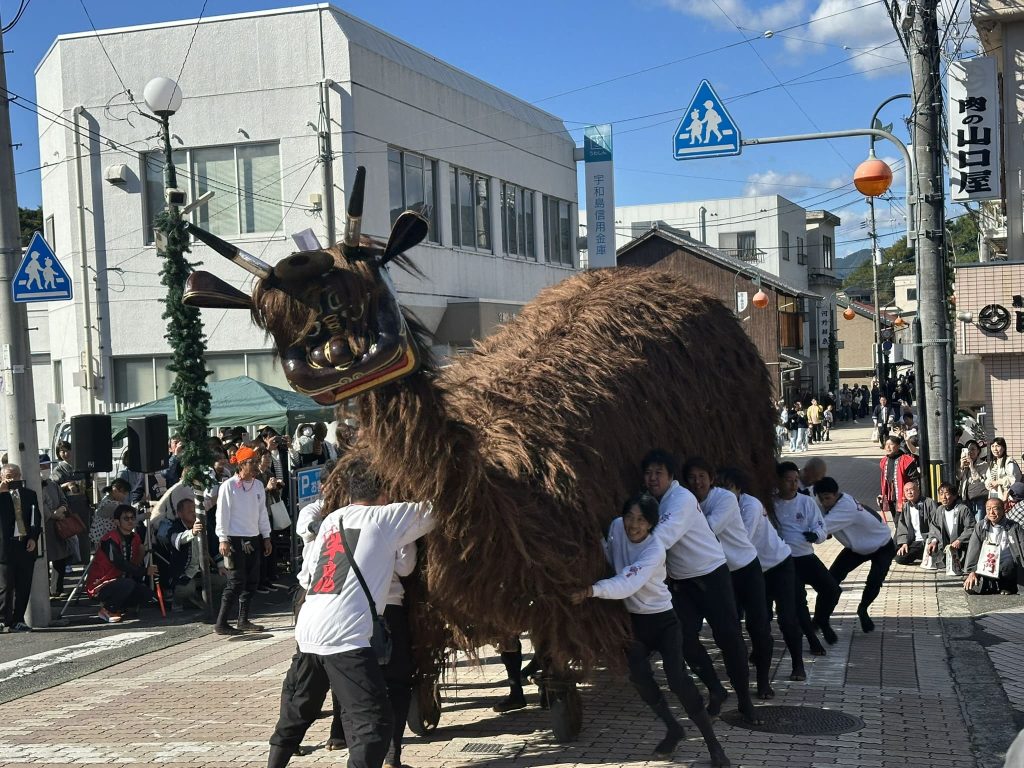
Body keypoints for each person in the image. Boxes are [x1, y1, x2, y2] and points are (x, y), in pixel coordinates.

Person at [267, 459, 434, 768]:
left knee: (298, 712)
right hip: (345, 635)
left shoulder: (332, 520)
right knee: (374, 724)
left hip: (309, 627)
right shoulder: (386, 517)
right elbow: (437, 507)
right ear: (385, 491)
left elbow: (306, 576)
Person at [572, 494, 729, 766]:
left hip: (663, 621)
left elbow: (627, 582)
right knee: (639, 677)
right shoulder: (616, 529)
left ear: (651, 525)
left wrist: (591, 590)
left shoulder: (654, 549)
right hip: (635, 622)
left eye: (641, 520)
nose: (633, 524)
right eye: (629, 517)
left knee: (678, 679)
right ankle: (673, 728)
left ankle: (714, 746)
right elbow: (608, 555)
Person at [642, 449, 759, 723]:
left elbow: (661, 538)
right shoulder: (650, 501)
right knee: (681, 639)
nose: (652, 478)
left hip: (712, 576)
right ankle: (716, 689)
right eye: (648, 473)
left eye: (658, 472)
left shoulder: (680, 499)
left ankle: (744, 700)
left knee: (729, 639)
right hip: (683, 584)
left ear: (671, 477)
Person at [683, 458, 774, 700]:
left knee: (759, 626)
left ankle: (763, 680)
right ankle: (728, 684)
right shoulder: (686, 502)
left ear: (711, 479)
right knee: (728, 632)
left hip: (745, 568)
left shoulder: (724, 499)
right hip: (719, 575)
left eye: (702, 476)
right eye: (691, 477)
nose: (697, 482)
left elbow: (707, 530)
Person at [717, 467, 805, 682]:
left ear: (738, 488)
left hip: (778, 564)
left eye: (728, 488)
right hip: (753, 571)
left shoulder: (750, 505)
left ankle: (798, 664)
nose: (724, 493)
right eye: (719, 487)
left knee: (787, 618)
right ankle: (762, 655)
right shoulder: (717, 505)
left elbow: (742, 540)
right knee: (758, 621)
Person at [814, 477, 895, 633]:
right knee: (831, 580)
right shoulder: (826, 502)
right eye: (821, 498)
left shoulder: (845, 507)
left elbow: (821, 529)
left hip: (883, 545)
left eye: (828, 498)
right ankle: (819, 619)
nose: (825, 502)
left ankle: (863, 609)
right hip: (857, 548)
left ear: (836, 494)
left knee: (874, 581)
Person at [774, 462, 840, 649]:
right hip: (785, 559)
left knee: (832, 589)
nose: (793, 484)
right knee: (798, 601)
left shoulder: (806, 501)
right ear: (778, 481)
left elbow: (820, 526)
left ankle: (821, 620)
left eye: (796, 480)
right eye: (788, 480)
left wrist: (816, 535)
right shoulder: (771, 503)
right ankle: (812, 639)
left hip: (806, 556)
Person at [214, 444, 272, 636]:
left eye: (256, 462)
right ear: (241, 465)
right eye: (252, 463)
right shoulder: (228, 486)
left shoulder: (258, 485)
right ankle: (221, 622)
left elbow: (262, 513)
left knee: (252, 581)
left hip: (253, 536)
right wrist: (223, 538)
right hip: (235, 538)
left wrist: (266, 536)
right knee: (236, 581)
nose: (255, 466)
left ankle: (243, 619)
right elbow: (222, 514)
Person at [85, 504, 157, 623]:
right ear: (117, 522)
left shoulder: (135, 537)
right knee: (127, 584)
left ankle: (120, 606)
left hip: (121, 580)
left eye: (132, 518)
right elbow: (119, 563)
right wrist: (144, 571)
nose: (130, 521)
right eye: (126, 518)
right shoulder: (109, 539)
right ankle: (108, 609)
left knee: (147, 594)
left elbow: (134, 562)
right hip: (102, 584)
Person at [0, 464, 41, 632]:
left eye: (15, 476)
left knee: (24, 585)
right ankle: (3, 619)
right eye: (9, 476)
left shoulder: (29, 494)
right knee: (5, 586)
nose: (12, 479)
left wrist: (33, 537)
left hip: (24, 544)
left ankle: (18, 619)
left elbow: (35, 518)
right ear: (2, 477)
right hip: (4, 547)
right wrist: (2, 494)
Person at [963, 498, 1024, 595]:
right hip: (986, 566)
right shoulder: (980, 526)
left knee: (1008, 565)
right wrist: (972, 571)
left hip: (1007, 566)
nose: (991, 512)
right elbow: (973, 549)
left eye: (995, 509)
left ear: (1003, 510)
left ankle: (1006, 586)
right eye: (988, 509)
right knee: (971, 587)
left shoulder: (1014, 526)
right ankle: (994, 585)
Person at [39, 455, 73, 598]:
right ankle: (44, 590)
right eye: (43, 466)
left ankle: (57, 589)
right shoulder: (35, 484)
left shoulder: (53, 484)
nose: (46, 469)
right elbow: (40, 505)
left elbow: (64, 500)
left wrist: (62, 509)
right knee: (44, 562)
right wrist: (52, 514)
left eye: (47, 466)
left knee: (60, 558)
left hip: (59, 526)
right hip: (45, 527)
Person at [926, 482, 975, 575]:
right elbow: (934, 526)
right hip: (945, 547)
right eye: (941, 494)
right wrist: (933, 540)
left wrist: (960, 540)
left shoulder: (963, 509)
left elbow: (971, 527)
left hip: (961, 547)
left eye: (947, 494)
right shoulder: (940, 510)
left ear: (954, 495)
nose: (944, 497)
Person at [895, 481, 939, 566]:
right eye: (906, 490)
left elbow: (936, 523)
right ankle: (921, 555)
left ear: (918, 491)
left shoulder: (929, 502)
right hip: (913, 541)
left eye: (911, 490)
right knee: (896, 554)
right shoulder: (906, 506)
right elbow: (902, 526)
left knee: (901, 558)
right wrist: (904, 543)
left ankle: (925, 554)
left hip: (926, 540)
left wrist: (933, 540)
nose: (909, 492)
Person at [878, 436, 917, 524]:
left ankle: (898, 537)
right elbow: (883, 480)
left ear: (898, 446)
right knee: (897, 522)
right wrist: (881, 494)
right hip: (891, 497)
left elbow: (914, 479)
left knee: (901, 522)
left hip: (904, 497)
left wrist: (913, 495)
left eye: (891, 444)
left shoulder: (907, 460)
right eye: (886, 444)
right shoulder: (884, 461)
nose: (888, 447)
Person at [90, 479, 131, 548]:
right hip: (105, 539)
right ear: (115, 490)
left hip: (107, 537)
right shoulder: (110, 505)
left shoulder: (107, 499)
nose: (125, 497)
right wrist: (144, 515)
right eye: (124, 494)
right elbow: (127, 517)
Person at [959, 440, 990, 522]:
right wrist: (961, 466)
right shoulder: (962, 463)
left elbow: (978, 480)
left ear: (978, 451)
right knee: (967, 522)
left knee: (979, 521)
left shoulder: (984, 464)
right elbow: (958, 477)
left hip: (979, 498)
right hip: (965, 498)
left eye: (973, 449)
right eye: (968, 449)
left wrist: (972, 466)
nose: (970, 452)